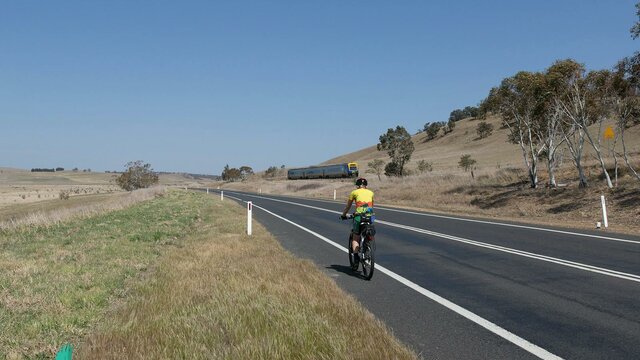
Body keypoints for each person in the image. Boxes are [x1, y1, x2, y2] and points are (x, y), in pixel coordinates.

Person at [341, 177, 374, 253]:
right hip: (370, 217)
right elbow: (372, 206)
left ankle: (355, 259)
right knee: (368, 231)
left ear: (358, 186)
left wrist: (343, 215)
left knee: (355, 237)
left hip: (359, 217)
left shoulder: (354, 192)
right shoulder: (371, 193)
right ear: (366, 185)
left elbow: (348, 206)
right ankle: (368, 243)